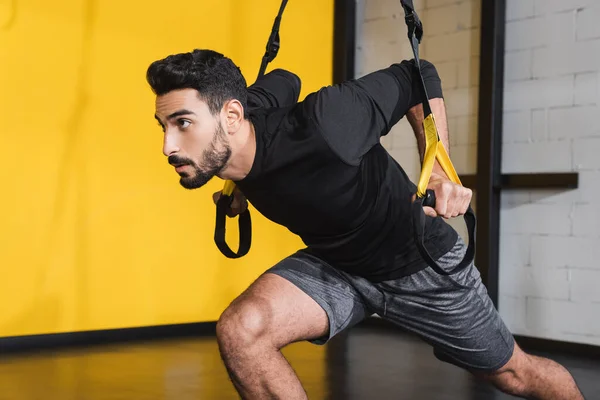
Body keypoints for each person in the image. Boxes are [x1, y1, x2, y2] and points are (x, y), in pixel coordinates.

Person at [146, 49, 585, 400]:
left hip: (420, 262)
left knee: (515, 375)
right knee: (242, 330)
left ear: (233, 117)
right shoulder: (244, 123)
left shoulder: (328, 122)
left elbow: (418, 74)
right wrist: (238, 182)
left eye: (183, 123)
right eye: (164, 125)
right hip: (336, 264)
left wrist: (438, 167)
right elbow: (284, 80)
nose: (168, 145)